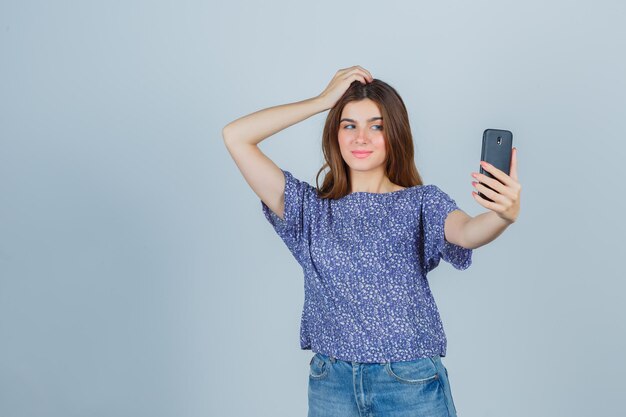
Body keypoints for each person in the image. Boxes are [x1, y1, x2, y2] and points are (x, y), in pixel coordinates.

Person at [222, 65, 521, 417]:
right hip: (331, 383)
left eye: (375, 126)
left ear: (395, 134)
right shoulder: (309, 210)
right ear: (335, 134)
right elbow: (236, 136)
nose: (360, 138)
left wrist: (502, 215)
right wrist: (322, 101)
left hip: (408, 382)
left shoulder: (420, 203)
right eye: (348, 125)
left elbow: (467, 233)